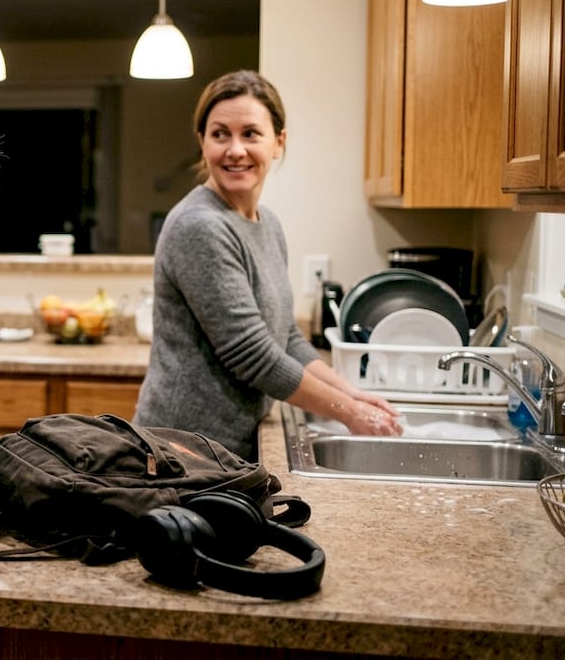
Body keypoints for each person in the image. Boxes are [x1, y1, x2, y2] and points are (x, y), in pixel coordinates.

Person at [132, 69, 401, 461]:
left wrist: (350, 393)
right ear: (202, 143)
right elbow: (253, 354)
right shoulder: (199, 225)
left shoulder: (266, 224)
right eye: (220, 134)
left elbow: (284, 336)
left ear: (279, 142)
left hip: (225, 446)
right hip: (184, 450)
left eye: (251, 134)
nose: (235, 150)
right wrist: (350, 413)